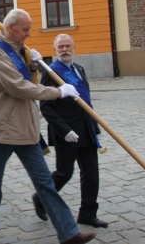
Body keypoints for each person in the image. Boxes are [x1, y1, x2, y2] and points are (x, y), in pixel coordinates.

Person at [0, 9, 95, 244]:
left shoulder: (18, 50)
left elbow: (26, 79)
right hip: (2, 130)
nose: (29, 34)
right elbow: (17, 87)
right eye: (25, 29)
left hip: (26, 129)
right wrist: (58, 92)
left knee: (46, 184)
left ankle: (69, 233)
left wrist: (33, 67)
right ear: (10, 28)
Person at [32, 34, 108, 228]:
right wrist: (64, 130)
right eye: (60, 47)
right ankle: (40, 198)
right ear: (55, 49)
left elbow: (86, 101)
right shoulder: (51, 72)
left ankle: (87, 214)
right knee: (64, 173)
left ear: (74, 47)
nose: (64, 49)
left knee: (91, 173)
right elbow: (46, 106)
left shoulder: (79, 69)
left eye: (67, 46)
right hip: (66, 133)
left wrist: (95, 126)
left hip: (86, 129)